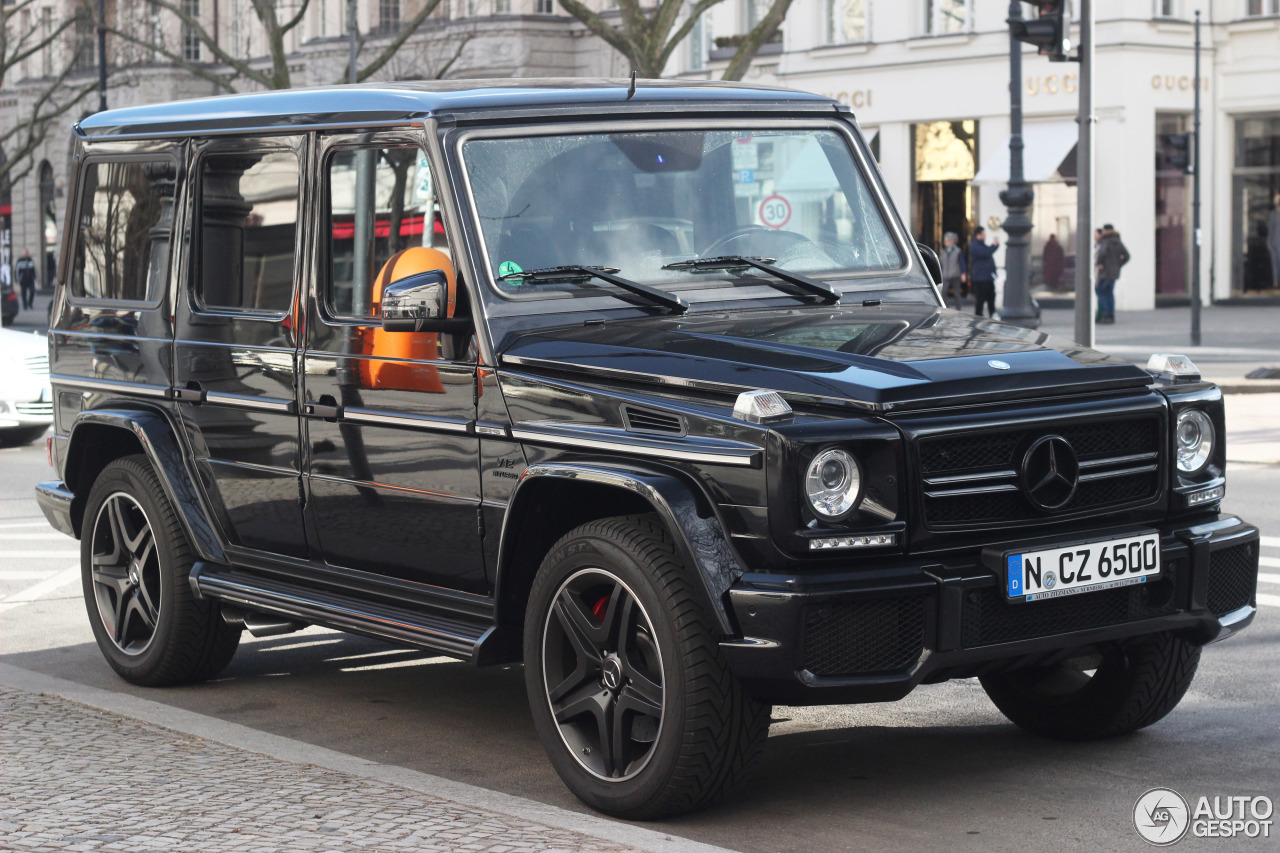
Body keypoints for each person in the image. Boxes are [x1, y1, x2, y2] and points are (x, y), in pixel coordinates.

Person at [1095, 223, 1130, 324]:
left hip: (1104, 272)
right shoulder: (1118, 241)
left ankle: (1105, 315)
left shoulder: (1105, 241)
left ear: (1105, 231)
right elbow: (1127, 256)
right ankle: (1111, 314)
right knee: (1109, 293)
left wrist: (1099, 263)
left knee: (1102, 293)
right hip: (1114, 273)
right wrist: (1118, 265)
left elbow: (1102, 254)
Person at [968, 226, 999, 318]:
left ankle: (992, 314)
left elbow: (987, 252)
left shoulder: (981, 245)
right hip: (980, 278)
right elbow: (986, 253)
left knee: (991, 298)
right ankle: (978, 316)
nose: (985, 236)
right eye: (984, 234)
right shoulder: (974, 246)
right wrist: (994, 245)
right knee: (980, 299)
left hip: (988, 277)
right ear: (979, 235)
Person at [939, 231, 966, 309]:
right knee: (943, 292)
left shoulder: (958, 251)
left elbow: (962, 263)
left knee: (956, 293)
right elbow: (941, 263)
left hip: (955, 274)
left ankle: (958, 308)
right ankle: (946, 307)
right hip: (945, 275)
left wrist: (963, 273)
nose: (945, 242)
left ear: (952, 241)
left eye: (947, 241)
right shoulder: (943, 251)